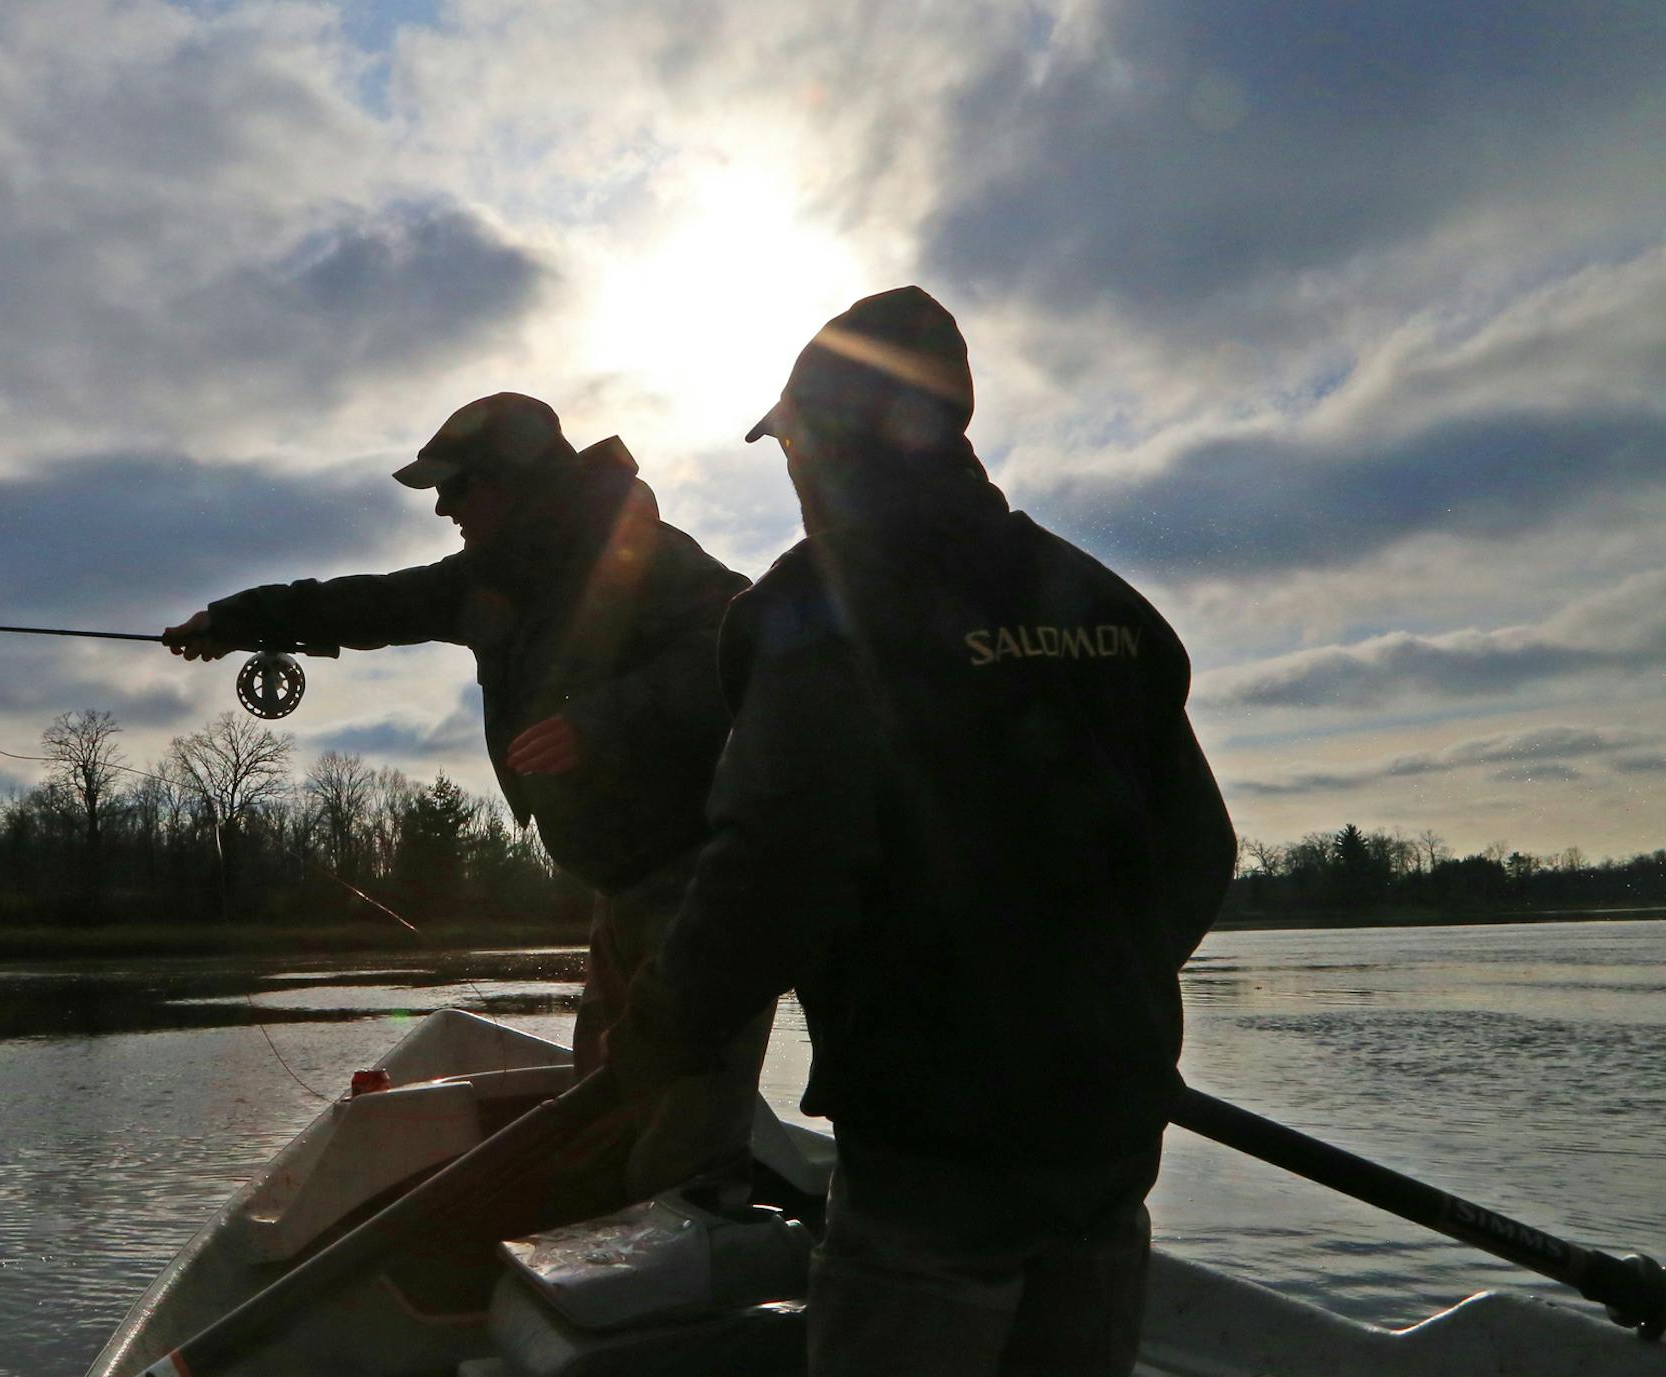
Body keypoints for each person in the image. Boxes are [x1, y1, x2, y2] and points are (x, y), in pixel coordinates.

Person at [609, 288, 1236, 1375]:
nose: (792, 474)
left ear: (830, 442)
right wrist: (1084, 998)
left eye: (793, 445)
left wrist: (667, 1021)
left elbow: (775, 861)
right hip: (1110, 1136)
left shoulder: (817, 611)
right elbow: (1199, 855)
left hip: (932, 1158)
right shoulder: (1107, 607)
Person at [164, 391, 769, 1209]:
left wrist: (601, 721)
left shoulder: (643, 554)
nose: (443, 505)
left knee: (681, 1141)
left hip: (705, 884)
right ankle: (627, 1268)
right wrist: (239, 620)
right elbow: (369, 601)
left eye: (456, 486)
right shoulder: (497, 577)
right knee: (604, 1112)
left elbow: (740, 643)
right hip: (622, 888)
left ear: (511, 481)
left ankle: (699, 1290)